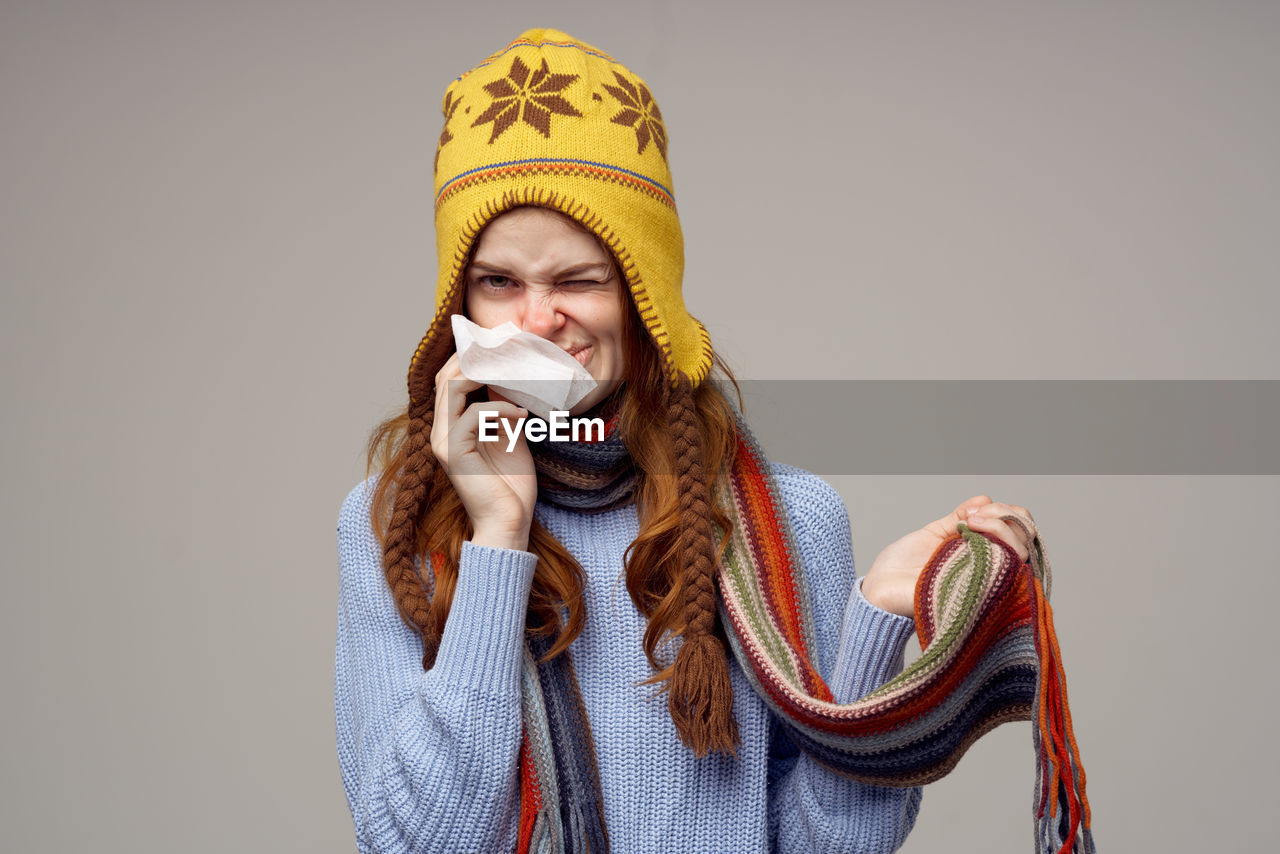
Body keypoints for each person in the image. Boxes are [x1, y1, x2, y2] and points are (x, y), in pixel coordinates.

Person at [334, 28, 1037, 854]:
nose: (534, 319)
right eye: (498, 282)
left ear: (643, 295)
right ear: (459, 298)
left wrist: (878, 623)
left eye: (578, 280)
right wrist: (498, 536)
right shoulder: (389, 524)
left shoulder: (788, 520)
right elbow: (416, 843)